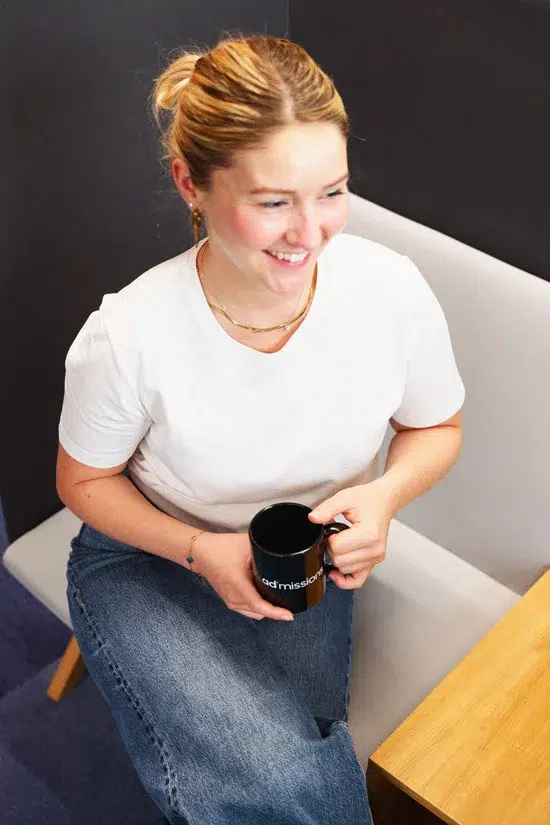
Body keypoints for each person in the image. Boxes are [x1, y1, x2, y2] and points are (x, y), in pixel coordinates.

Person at [56, 33, 465, 825]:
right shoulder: (127, 335)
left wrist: (383, 496)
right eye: (273, 202)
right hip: (149, 559)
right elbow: (81, 482)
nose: (309, 234)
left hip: (298, 558)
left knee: (290, 757)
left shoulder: (392, 292)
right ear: (191, 185)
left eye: (332, 192)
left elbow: (437, 426)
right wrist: (202, 549)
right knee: (278, 774)